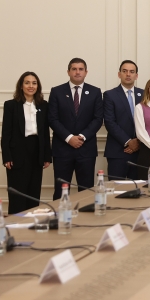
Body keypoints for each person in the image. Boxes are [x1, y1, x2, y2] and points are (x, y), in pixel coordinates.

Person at [47, 58, 103, 199]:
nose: (77, 72)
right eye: (74, 69)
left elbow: (98, 119)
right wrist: (69, 138)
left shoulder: (95, 92)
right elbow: (52, 119)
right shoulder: (57, 91)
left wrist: (82, 137)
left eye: (80, 69)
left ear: (86, 72)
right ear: (68, 72)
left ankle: (86, 221)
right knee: (60, 191)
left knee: (86, 192)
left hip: (86, 149)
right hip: (62, 150)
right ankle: (59, 219)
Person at [0, 72, 52, 213]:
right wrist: (7, 157)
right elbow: (6, 133)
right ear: (21, 86)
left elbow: (45, 133)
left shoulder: (43, 105)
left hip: (36, 152)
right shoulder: (11, 105)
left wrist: (47, 156)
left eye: (34, 83)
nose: (31, 86)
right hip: (17, 153)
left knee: (33, 193)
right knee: (17, 194)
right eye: (27, 82)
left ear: (38, 86)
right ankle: (16, 226)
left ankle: (31, 228)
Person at [102, 60, 143, 180]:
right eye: (125, 71)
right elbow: (110, 122)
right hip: (117, 151)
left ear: (136, 75)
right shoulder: (110, 95)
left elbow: (149, 122)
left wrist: (138, 142)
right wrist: (129, 141)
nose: (128, 74)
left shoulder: (144, 94)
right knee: (116, 191)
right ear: (119, 74)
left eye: (132, 72)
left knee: (139, 192)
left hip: (140, 152)